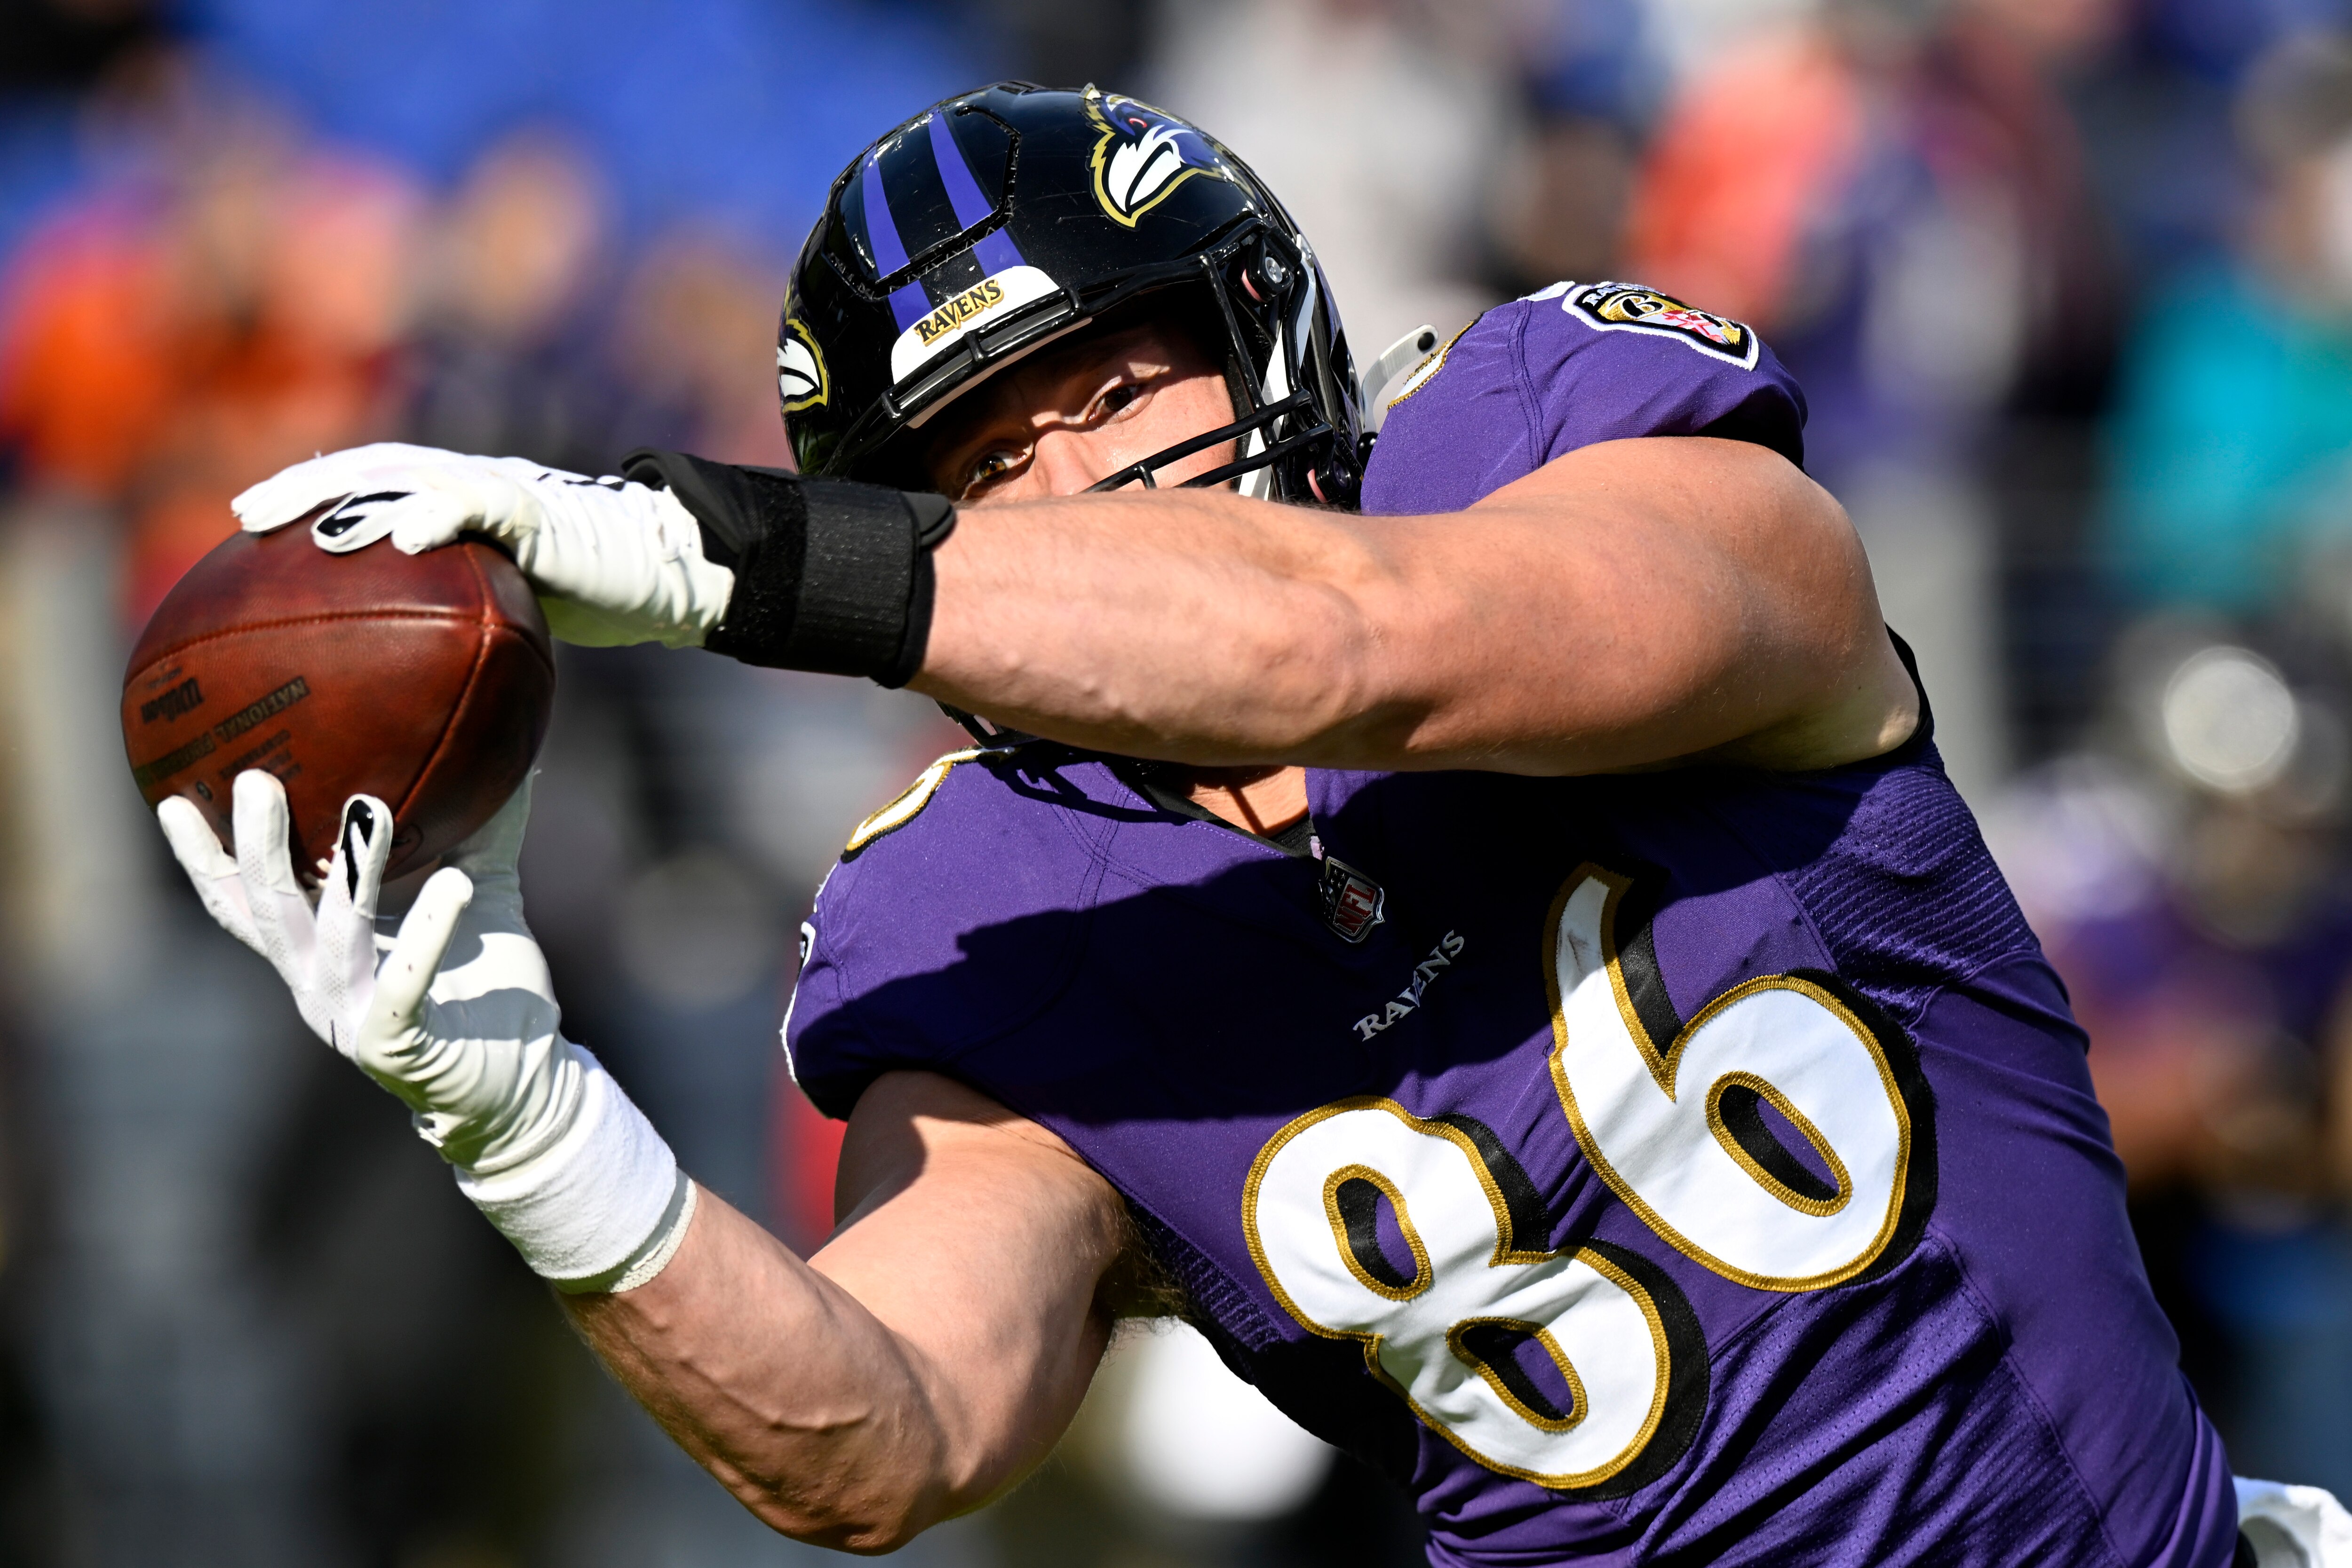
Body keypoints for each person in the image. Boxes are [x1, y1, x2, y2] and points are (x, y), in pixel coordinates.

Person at [158, 84, 2339, 1564]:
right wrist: (517, 1111)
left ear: (1268, 330)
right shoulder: (973, 909)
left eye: (1119, 380)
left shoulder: (1552, 431)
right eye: (990, 459)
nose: (1085, 470)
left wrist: (714, 556)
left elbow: (1357, 648)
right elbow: (884, 1428)